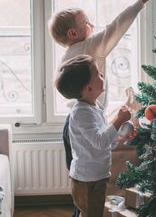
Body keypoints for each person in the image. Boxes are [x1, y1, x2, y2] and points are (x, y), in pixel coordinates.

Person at [48, 0, 156, 111]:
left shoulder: (64, 59)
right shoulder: (90, 45)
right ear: (72, 33)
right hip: (93, 112)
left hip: (74, 115)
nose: (92, 25)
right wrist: (141, 2)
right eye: (86, 23)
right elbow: (117, 27)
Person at [55, 54, 131, 217]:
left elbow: (106, 141)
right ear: (89, 89)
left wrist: (120, 135)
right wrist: (118, 120)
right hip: (87, 181)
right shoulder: (81, 113)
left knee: (94, 212)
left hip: (97, 176)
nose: (102, 75)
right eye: (97, 73)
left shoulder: (95, 106)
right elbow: (100, 141)